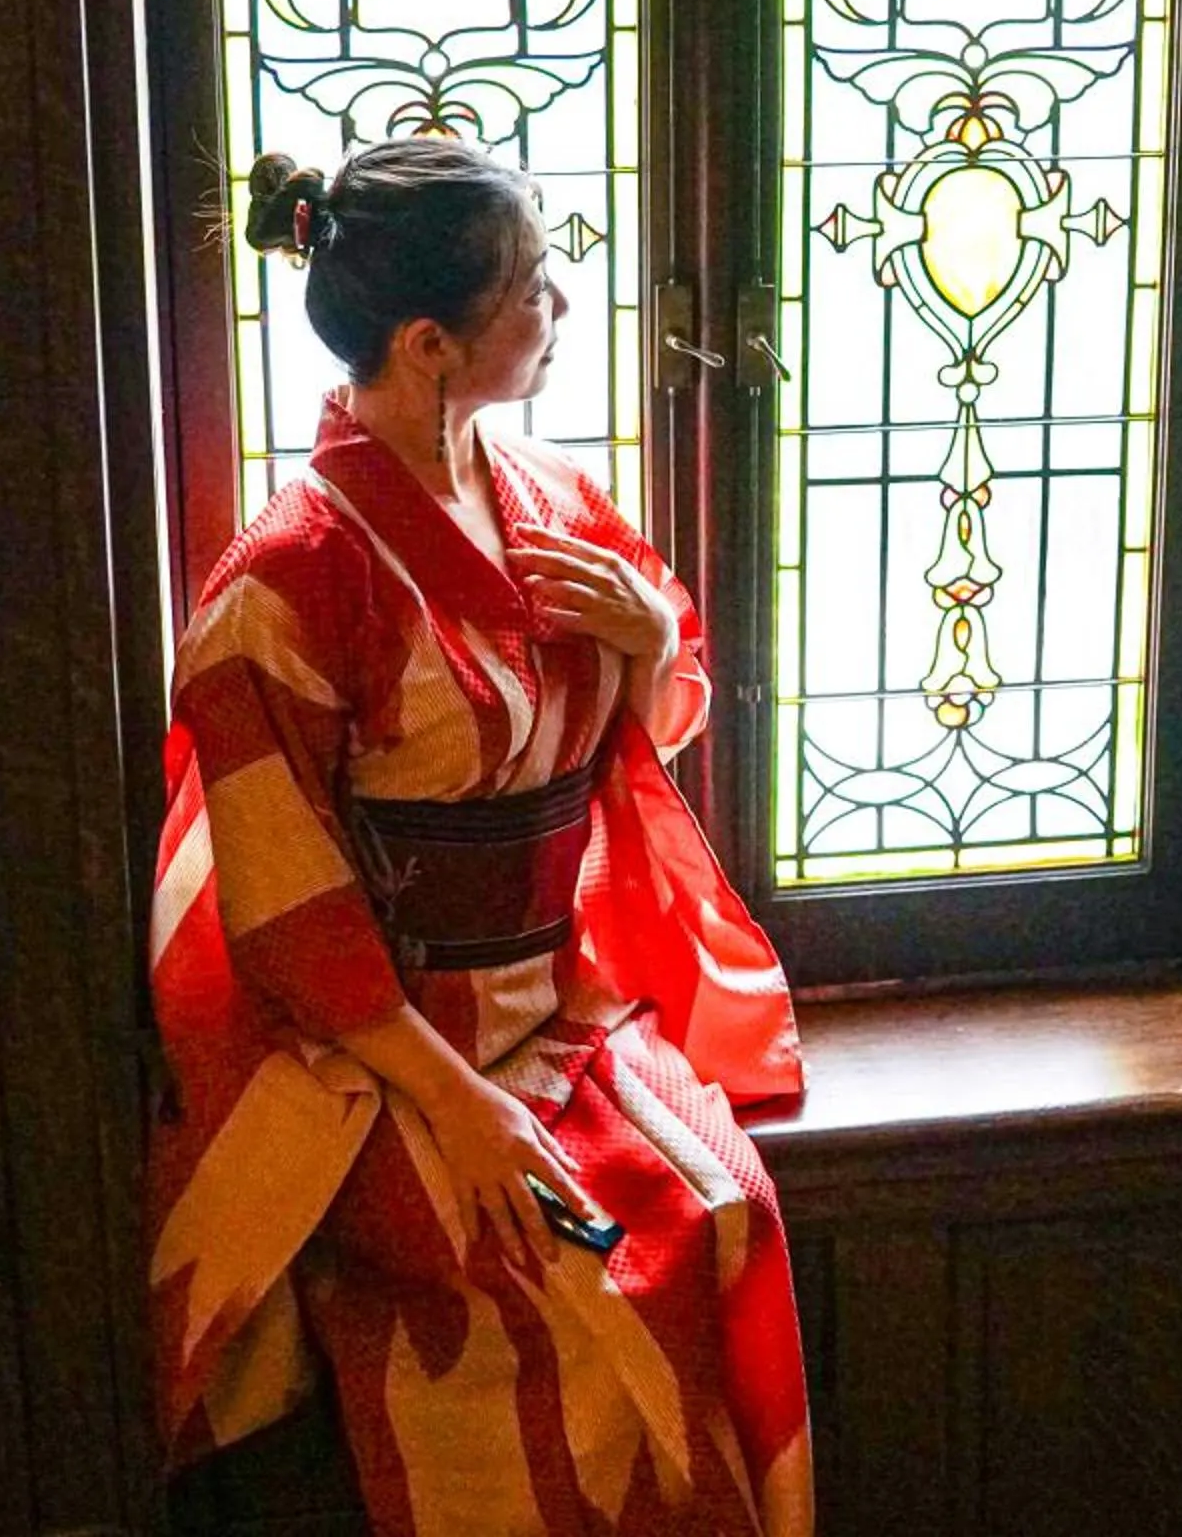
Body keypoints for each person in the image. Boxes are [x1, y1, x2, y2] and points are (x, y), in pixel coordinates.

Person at [143, 138, 812, 1537]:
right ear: (432, 344)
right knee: (545, 1268)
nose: (560, 307)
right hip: (377, 1055)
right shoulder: (283, 585)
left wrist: (640, 642)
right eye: (533, 291)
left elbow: (653, 726)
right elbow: (287, 909)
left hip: (564, 1003)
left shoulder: (552, 501)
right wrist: (461, 1103)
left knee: (723, 1211)